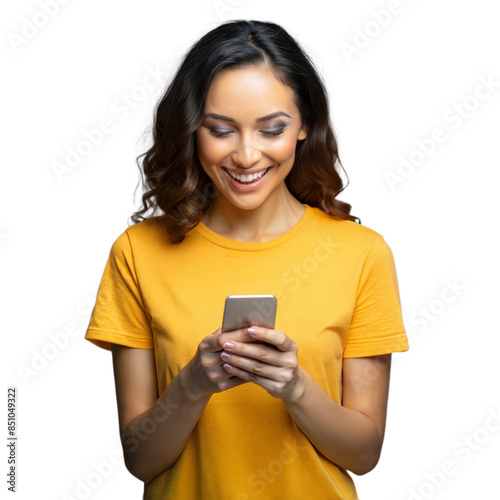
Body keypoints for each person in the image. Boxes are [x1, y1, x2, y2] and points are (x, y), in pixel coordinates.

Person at [84, 19, 409, 500]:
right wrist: (193, 383)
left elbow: (363, 455)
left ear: (304, 127)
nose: (246, 154)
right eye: (221, 130)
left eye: (271, 129)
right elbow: (140, 459)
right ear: (192, 130)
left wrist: (295, 387)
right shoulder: (138, 252)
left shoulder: (361, 254)